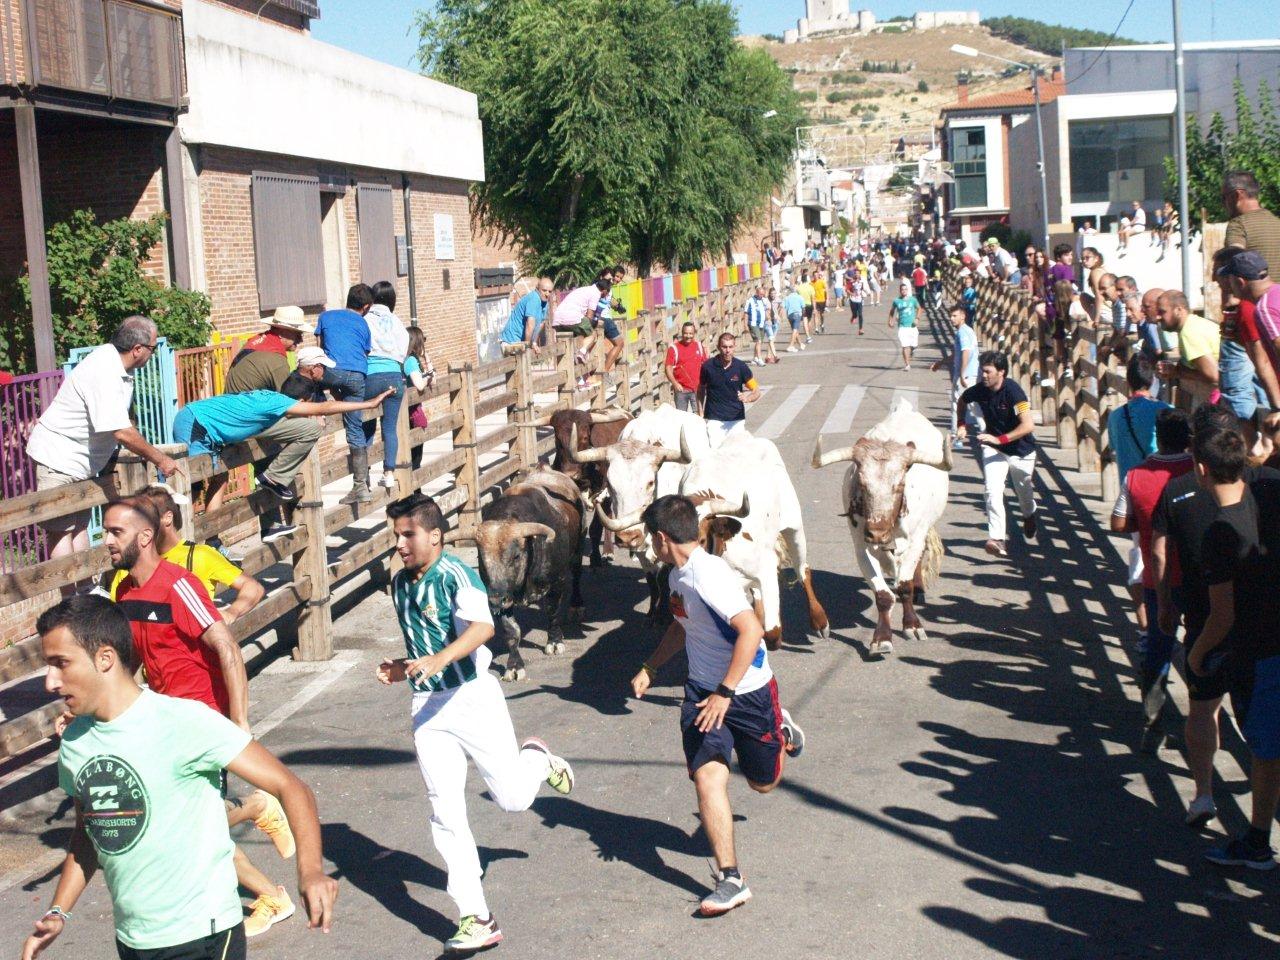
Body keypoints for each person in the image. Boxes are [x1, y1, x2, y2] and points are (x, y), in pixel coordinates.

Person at [22, 595, 336, 960]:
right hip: (133, 939)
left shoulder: (184, 721)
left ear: (105, 658)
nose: (50, 682)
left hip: (203, 936)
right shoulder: (75, 742)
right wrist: (59, 911)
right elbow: (89, 833)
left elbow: (290, 786)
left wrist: (311, 870)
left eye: (61, 664)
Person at [380, 494, 574, 954]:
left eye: (408, 535)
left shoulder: (457, 576)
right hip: (427, 707)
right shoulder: (400, 584)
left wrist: (439, 658)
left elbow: (482, 628)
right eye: (396, 537)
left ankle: (535, 759)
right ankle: (476, 916)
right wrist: (403, 666)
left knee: (513, 799)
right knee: (444, 809)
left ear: (435, 535)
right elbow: (424, 640)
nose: (401, 546)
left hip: (472, 697)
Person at [100, 498, 302, 938]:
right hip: (164, 719)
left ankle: (265, 861)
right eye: (105, 531)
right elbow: (133, 658)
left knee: (190, 826)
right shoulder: (124, 591)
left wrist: (238, 723)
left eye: (115, 532)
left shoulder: (179, 584)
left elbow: (226, 647)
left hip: (203, 719)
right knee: (191, 826)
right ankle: (262, 844)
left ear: (145, 536)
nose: (106, 540)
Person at [629, 494, 805, 917]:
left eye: (650, 540)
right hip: (701, 694)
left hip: (747, 693)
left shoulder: (710, 576)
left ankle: (780, 730)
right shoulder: (677, 577)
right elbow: (682, 624)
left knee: (762, 784)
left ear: (660, 538)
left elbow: (752, 631)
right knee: (708, 780)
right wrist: (651, 667)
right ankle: (731, 879)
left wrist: (725, 692)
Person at [1188, 425, 1280, 870]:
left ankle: (1258, 842)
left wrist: (1195, 653)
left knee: (1265, 751)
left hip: (1261, 650)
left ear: (1202, 470)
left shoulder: (1220, 533)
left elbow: (1221, 617)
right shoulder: (1270, 494)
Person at [1151, 404, 1245, 827]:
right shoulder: (1262, 486)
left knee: (1202, 708)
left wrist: (1166, 603)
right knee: (1256, 713)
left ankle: (1203, 793)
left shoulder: (1177, 491)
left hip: (1203, 620)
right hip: (1257, 621)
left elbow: (1159, 550)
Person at [25, 316, 180, 564]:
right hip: (58, 457)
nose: (152, 353)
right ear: (137, 349)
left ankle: (86, 590)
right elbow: (120, 431)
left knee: (78, 527)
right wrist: (160, 459)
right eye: (152, 348)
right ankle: (70, 598)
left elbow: (121, 420)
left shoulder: (116, 366)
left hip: (80, 460)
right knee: (61, 531)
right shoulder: (104, 371)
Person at [1110, 408, 1193, 752]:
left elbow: (1118, 523)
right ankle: (1205, 708)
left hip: (1156, 577)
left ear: (1158, 435)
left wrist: (1143, 526)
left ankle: (1153, 712)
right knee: (1200, 638)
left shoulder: (1136, 475)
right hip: (1195, 575)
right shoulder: (1197, 470)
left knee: (1158, 644)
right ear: (1187, 437)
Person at [173, 387, 392, 503]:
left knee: (220, 477)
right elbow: (324, 407)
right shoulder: (277, 403)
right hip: (196, 422)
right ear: (301, 401)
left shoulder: (270, 403)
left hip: (206, 427)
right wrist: (369, 403)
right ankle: (174, 541)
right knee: (189, 485)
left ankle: (213, 543)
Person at [106, 485, 266, 626]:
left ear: (167, 518)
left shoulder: (200, 555)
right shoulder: (131, 566)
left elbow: (253, 587)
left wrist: (231, 613)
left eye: (146, 517)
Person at [955, 351, 1038, 559]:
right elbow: (962, 401)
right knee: (992, 491)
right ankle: (997, 538)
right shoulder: (980, 390)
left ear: (1001, 372)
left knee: (1024, 492)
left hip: (1021, 451)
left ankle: (1029, 514)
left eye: (987, 371)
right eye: (981, 371)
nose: (983, 375)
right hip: (994, 448)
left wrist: (1000, 439)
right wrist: (961, 424)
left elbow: (1028, 425)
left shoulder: (1014, 392)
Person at [316, 284, 374, 498]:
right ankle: (361, 486)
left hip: (332, 371)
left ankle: (317, 414)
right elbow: (365, 352)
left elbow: (319, 349)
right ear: (366, 306)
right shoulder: (363, 324)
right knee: (355, 427)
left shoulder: (325, 316)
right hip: (358, 375)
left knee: (309, 381)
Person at [362, 281, 411, 493]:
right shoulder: (397, 321)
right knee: (389, 427)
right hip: (393, 375)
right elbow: (404, 347)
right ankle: (389, 473)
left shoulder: (364, 319)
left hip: (371, 376)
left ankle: (363, 475)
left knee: (366, 427)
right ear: (391, 299)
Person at [698, 333, 759, 448]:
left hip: (736, 420)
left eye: (730, 347)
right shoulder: (707, 366)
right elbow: (701, 389)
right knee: (717, 454)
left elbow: (756, 390)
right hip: (715, 419)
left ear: (734, 347)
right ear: (718, 347)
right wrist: (700, 413)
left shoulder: (741, 367)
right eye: (724, 347)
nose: (727, 350)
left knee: (737, 454)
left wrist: (748, 397)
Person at [552, 273, 612, 389]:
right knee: (592, 335)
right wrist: (595, 324)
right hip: (572, 317)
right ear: (604, 290)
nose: (605, 296)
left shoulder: (586, 289)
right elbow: (589, 317)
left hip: (558, 319)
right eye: (607, 293)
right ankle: (582, 352)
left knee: (570, 349)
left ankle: (580, 382)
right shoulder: (595, 294)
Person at [1155, 290, 1220, 397]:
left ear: (1178, 310)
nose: (1158, 317)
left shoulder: (1190, 333)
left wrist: (1176, 372)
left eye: (1162, 312)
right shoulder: (1192, 324)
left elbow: (1213, 375)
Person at [932, 304, 978, 448]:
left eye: (954, 316)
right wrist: (941, 362)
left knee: (957, 406)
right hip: (973, 374)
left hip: (966, 375)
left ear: (963, 316)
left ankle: (955, 436)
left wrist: (962, 374)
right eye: (950, 316)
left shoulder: (963, 332)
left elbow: (966, 352)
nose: (951, 319)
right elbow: (957, 354)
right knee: (976, 408)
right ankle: (984, 433)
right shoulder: (967, 331)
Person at [1223, 170, 1280, 276]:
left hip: (1257, 292)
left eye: (1224, 197)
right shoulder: (1277, 222)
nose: (1224, 204)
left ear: (1237, 194)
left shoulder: (1238, 224)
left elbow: (1236, 265)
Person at [500, 277, 552, 356]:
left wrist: (534, 343)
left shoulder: (545, 303)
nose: (547, 294)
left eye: (550, 291)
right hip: (511, 342)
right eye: (544, 290)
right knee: (521, 365)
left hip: (520, 342)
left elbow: (540, 324)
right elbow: (530, 325)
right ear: (537, 288)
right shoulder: (534, 299)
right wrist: (527, 347)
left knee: (525, 366)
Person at [664, 322, 706, 414]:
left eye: (691, 333)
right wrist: (675, 383)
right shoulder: (674, 348)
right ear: (682, 333)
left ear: (694, 333)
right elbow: (668, 368)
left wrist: (706, 383)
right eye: (686, 333)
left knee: (698, 416)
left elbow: (705, 365)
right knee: (681, 417)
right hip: (681, 390)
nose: (688, 336)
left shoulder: (699, 346)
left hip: (697, 389)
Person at [889, 280, 919, 371]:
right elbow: (892, 311)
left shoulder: (912, 300)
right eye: (902, 289)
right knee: (905, 345)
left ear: (908, 290)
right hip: (902, 326)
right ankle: (907, 365)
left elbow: (919, 308)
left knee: (914, 345)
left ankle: (912, 349)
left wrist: (917, 318)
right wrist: (890, 320)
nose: (904, 291)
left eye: (906, 289)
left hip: (912, 326)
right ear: (900, 291)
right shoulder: (897, 301)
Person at [782, 285, 806, 353]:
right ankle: (791, 345)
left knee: (795, 330)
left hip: (790, 315)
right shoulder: (800, 297)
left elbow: (783, 306)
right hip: (797, 314)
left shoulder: (786, 298)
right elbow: (803, 307)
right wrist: (803, 316)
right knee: (795, 330)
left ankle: (800, 344)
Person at [794, 271, 815, 344]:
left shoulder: (799, 288)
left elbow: (796, 298)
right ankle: (808, 334)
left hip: (801, 306)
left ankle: (807, 335)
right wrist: (814, 308)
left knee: (804, 321)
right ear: (807, 279)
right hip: (809, 305)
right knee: (808, 320)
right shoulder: (811, 287)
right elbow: (813, 299)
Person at [847, 268, 865, 334]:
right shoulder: (851, 282)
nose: (857, 274)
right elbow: (847, 290)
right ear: (854, 274)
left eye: (858, 273)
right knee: (855, 314)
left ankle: (861, 329)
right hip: (853, 300)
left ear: (860, 274)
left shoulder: (862, 281)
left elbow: (862, 288)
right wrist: (852, 294)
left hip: (860, 299)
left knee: (860, 314)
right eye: (856, 273)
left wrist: (865, 292)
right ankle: (853, 317)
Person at [811, 269, 827, 334]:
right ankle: (816, 328)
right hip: (815, 301)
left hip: (822, 300)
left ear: (818, 275)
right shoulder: (811, 283)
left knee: (822, 314)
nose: (815, 276)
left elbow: (826, 290)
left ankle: (822, 324)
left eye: (816, 275)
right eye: (814, 275)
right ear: (813, 276)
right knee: (815, 314)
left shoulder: (822, 282)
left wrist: (827, 299)